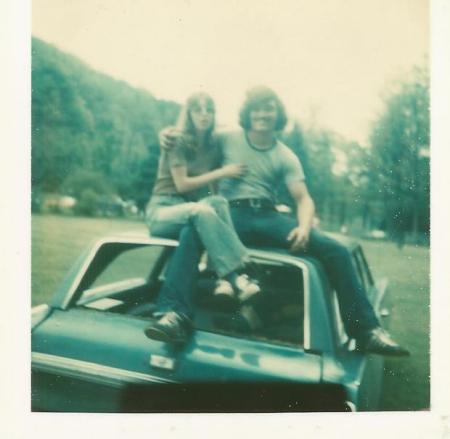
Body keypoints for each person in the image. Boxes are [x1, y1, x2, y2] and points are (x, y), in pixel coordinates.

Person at [161, 86, 409, 356]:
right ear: (248, 112)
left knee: (335, 250)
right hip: (229, 215)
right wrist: (167, 134)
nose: (262, 114)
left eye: (269, 108)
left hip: (268, 216)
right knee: (192, 231)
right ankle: (175, 316)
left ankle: (366, 331)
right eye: (257, 108)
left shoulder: (286, 155)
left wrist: (303, 225)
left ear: (278, 114)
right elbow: (196, 136)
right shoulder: (228, 137)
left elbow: (304, 199)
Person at [143, 92, 260, 344]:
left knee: (216, 202)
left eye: (209, 109)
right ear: (189, 113)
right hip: (162, 210)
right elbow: (183, 184)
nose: (204, 114)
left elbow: (213, 194)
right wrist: (223, 172)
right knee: (202, 210)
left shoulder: (213, 145)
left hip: (188, 212)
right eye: (198, 109)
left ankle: (229, 280)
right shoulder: (176, 140)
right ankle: (237, 275)